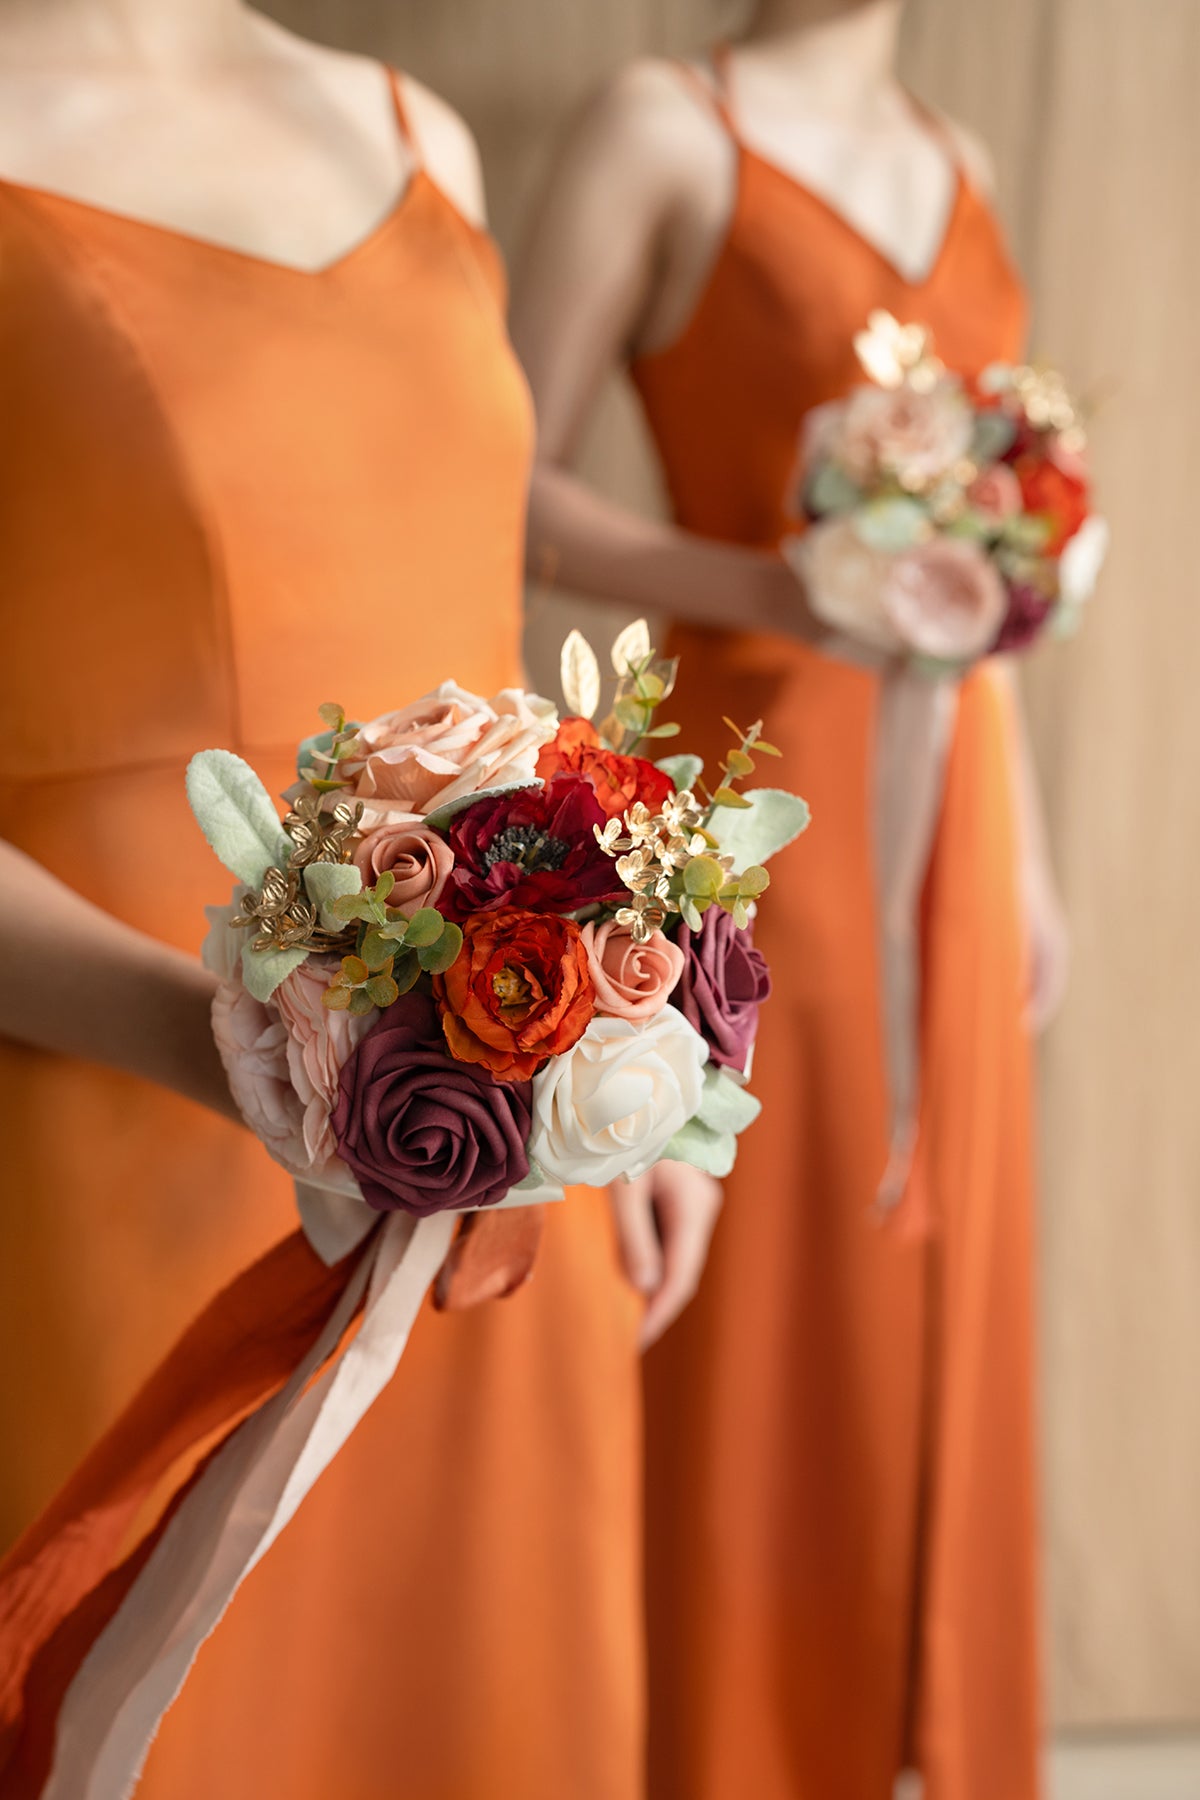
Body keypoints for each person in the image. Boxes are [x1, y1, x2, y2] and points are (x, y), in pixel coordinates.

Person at [0, 4, 646, 1795]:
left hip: (498, 1134)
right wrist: (252, 1061)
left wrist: (633, 1045)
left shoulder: (416, 131)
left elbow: (489, 649)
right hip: (126, 1110)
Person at [512, 2, 1066, 1795]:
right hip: (754, 800)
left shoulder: (961, 165)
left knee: (937, 1278)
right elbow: (503, 480)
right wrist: (782, 576)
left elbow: (990, 585)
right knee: (766, 1295)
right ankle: (734, 1749)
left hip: (959, 820)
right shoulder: (661, 130)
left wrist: (1031, 844)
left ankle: (920, 1739)